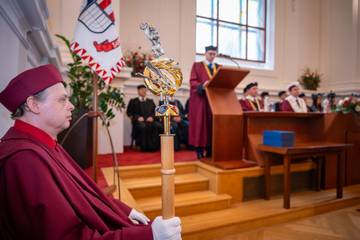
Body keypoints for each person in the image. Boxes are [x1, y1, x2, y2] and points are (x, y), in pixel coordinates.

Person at [0, 65, 181, 240]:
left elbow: (82, 192)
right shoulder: (24, 160)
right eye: (62, 100)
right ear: (33, 105)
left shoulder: (44, 144)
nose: (71, 106)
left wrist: (124, 210)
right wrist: (147, 235)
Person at [189, 45, 220, 159]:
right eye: (210, 53)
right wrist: (203, 85)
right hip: (202, 100)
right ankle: (199, 150)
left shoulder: (219, 67)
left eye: (214, 54)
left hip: (215, 100)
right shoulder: (197, 66)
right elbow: (192, 81)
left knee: (213, 125)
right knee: (201, 125)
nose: (212, 56)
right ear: (205, 54)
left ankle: (211, 149)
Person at [126, 84, 162, 151]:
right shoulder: (133, 101)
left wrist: (152, 117)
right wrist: (137, 118)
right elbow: (129, 112)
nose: (144, 91)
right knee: (143, 126)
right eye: (142, 89)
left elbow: (156, 112)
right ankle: (144, 147)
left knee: (158, 126)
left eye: (145, 90)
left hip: (150, 121)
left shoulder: (150, 101)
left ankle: (155, 146)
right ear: (138, 91)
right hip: (139, 122)